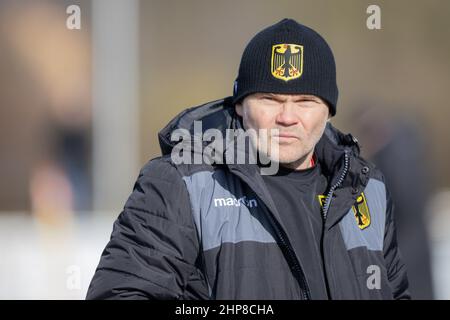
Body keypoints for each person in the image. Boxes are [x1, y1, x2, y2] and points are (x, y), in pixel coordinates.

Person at [86, 19, 410, 300]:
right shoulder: (180, 184)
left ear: (328, 111)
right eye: (270, 99)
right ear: (240, 105)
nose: (287, 117)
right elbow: (121, 291)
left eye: (305, 101)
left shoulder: (366, 189)